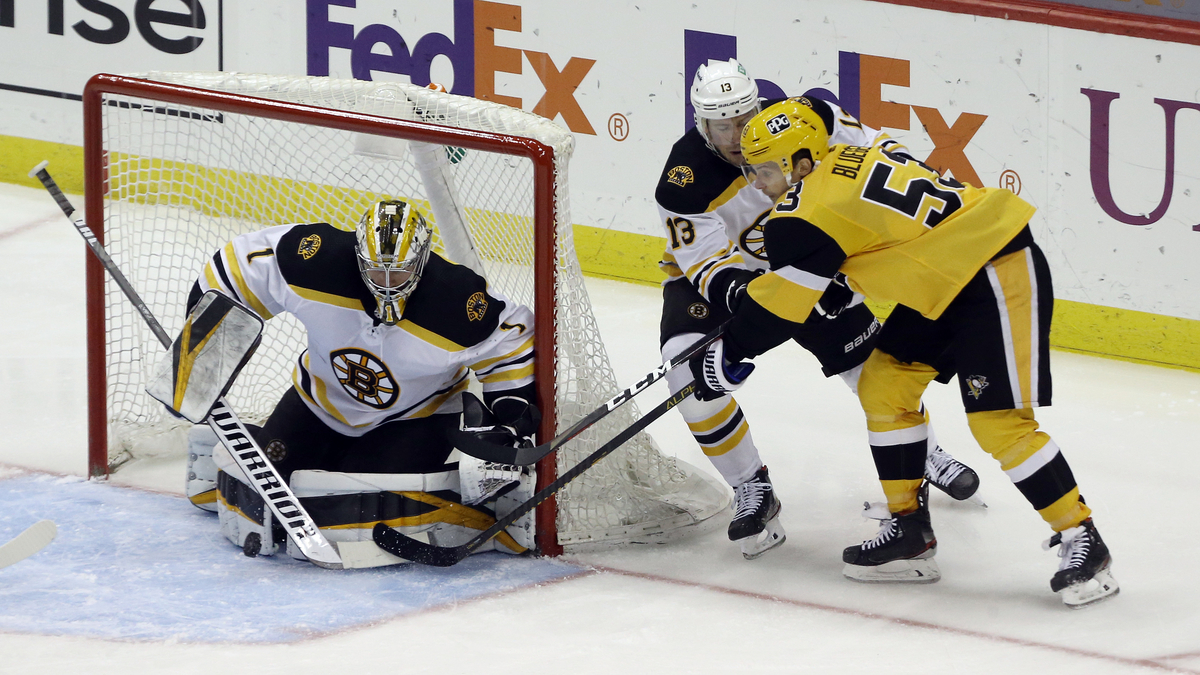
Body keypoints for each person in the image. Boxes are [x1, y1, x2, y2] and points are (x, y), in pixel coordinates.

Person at [695, 96, 1118, 606]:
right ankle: (909, 534)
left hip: (994, 267)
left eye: (764, 170)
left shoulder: (806, 212)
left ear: (801, 163)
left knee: (999, 422)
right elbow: (864, 242)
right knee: (884, 386)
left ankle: (1083, 540)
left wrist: (731, 349)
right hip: (943, 276)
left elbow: (783, 309)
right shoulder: (851, 157)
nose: (755, 184)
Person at [656, 59, 980, 561]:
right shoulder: (684, 180)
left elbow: (877, 161)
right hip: (729, 282)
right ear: (702, 122)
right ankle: (751, 486)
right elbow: (704, 262)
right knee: (688, 380)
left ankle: (923, 454)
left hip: (811, 261)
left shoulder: (806, 120)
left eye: (745, 119)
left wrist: (836, 270)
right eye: (724, 127)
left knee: (873, 372)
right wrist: (753, 304)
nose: (739, 136)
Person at [184, 199, 540, 560]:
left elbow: (512, 339)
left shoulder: (454, 302)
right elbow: (242, 263)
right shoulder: (317, 263)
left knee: (351, 508)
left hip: (413, 420)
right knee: (270, 493)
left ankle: (474, 509)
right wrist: (205, 342)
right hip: (318, 404)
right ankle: (242, 444)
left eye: (398, 272)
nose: (385, 284)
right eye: (375, 270)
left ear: (421, 260)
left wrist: (509, 412)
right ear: (357, 255)